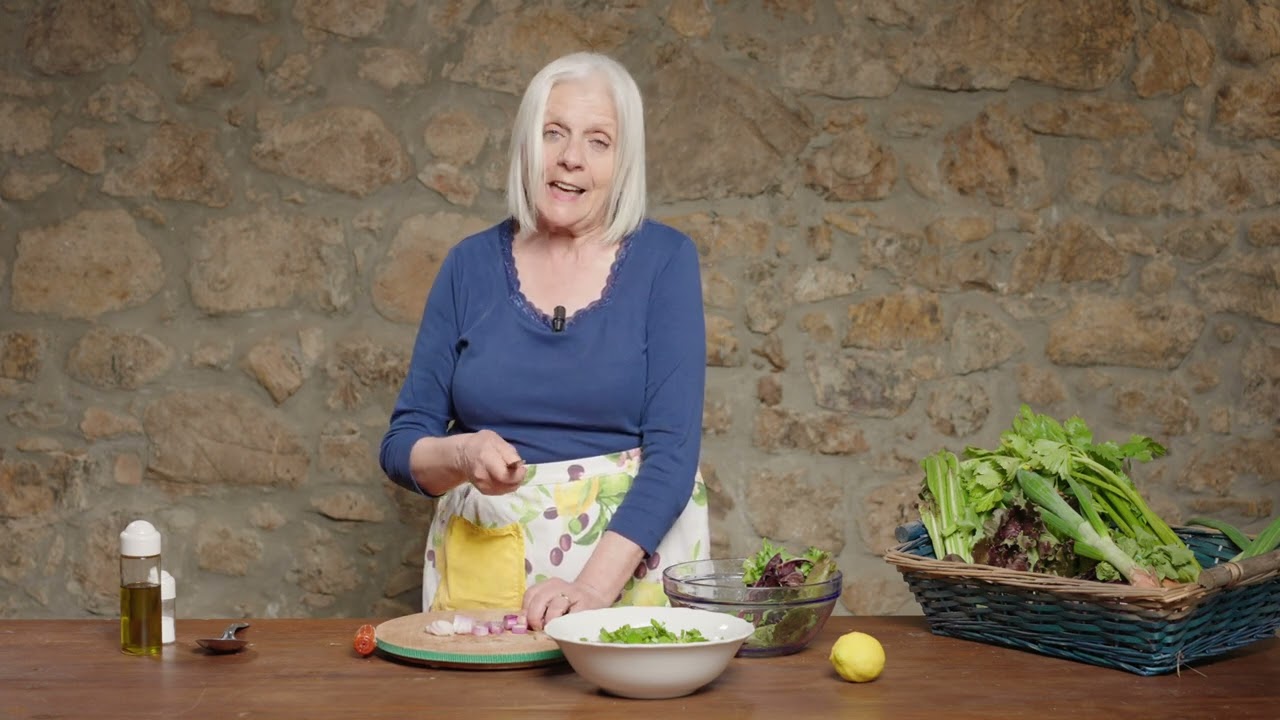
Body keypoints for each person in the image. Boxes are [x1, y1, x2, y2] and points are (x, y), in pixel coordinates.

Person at [379, 51, 709, 631]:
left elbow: (674, 455)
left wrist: (589, 588)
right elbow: (402, 444)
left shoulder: (666, 261)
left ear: (623, 159)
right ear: (526, 144)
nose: (570, 159)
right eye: (553, 132)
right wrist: (460, 453)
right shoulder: (468, 266)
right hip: (486, 572)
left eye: (598, 141)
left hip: (629, 570)